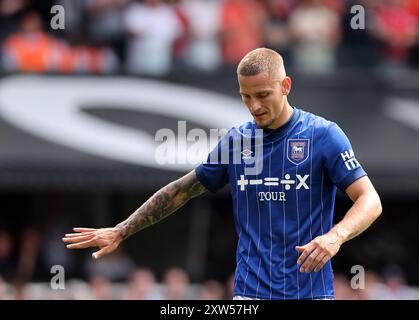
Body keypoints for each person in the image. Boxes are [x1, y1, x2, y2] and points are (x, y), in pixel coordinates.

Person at [63, 48, 382, 300]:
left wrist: (335, 237)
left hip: (310, 294)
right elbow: (181, 190)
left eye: (262, 95)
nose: (254, 106)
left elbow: (369, 199)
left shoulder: (323, 135)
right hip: (249, 294)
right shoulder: (237, 141)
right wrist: (122, 230)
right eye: (246, 96)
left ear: (285, 86)